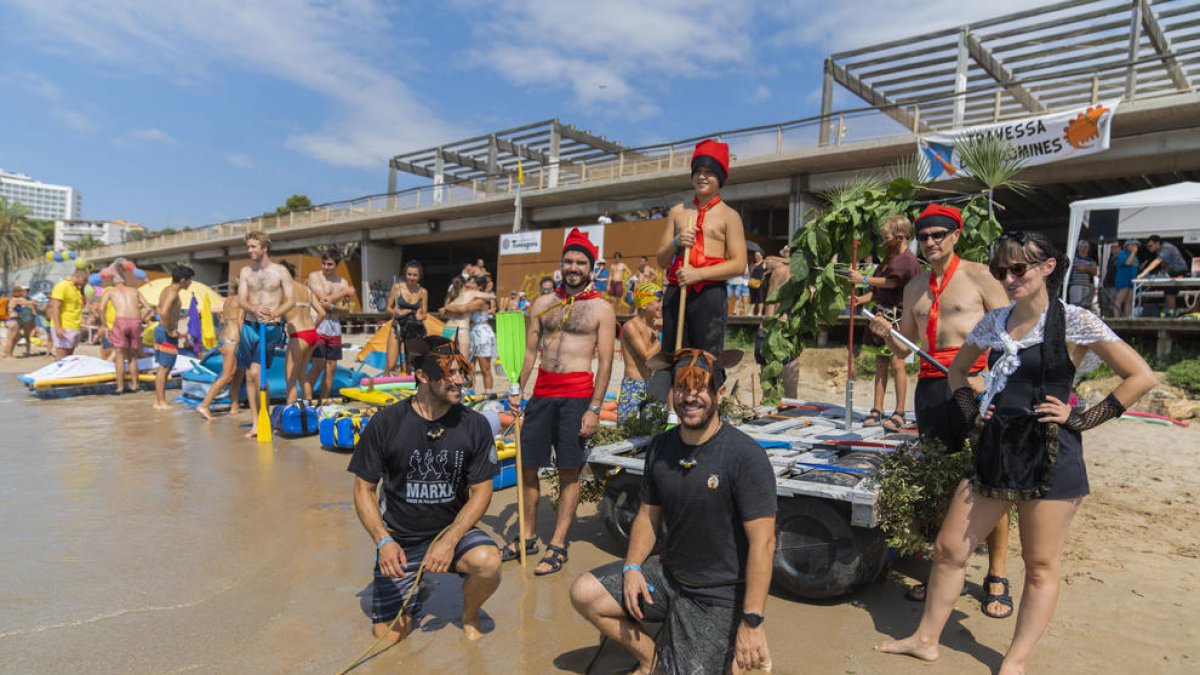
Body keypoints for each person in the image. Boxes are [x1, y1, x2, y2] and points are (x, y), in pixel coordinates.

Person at [876, 231, 1155, 674]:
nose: (1008, 277)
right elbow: (957, 372)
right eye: (1001, 270)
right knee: (950, 548)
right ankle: (926, 639)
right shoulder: (996, 322)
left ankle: (1015, 661)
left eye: (1018, 268)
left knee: (1040, 563)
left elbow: (1140, 376)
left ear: (1047, 267)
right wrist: (973, 415)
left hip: (1050, 451)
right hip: (996, 446)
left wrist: (1081, 418)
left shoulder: (1076, 321)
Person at [570, 348, 775, 675]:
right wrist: (633, 567)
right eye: (682, 387)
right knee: (584, 591)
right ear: (671, 392)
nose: (690, 398)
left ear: (719, 394)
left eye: (700, 389)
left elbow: (763, 544)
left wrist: (752, 622)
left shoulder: (745, 456)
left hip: (716, 595)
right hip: (668, 576)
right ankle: (649, 658)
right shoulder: (662, 447)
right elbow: (648, 516)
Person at [868, 203, 1014, 616]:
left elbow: (1012, 335)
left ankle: (997, 575)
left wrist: (991, 382)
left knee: (991, 479)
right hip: (932, 389)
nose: (930, 243)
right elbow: (907, 348)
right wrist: (889, 332)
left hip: (976, 383)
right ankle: (940, 569)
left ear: (955, 236)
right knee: (938, 479)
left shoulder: (981, 278)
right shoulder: (915, 288)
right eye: (924, 236)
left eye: (938, 235)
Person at [348, 335, 501, 644]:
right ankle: (415, 589)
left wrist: (450, 539)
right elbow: (364, 489)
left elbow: (482, 491)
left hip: (451, 532)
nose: (461, 381)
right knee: (390, 638)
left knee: (489, 561)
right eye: (452, 374)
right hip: (400, 539)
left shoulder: (475, 425)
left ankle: (469, 613)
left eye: (463, 372)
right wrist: (383, 541)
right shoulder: (386, 423)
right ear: (422, 376)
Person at [505, 228, 616, 576]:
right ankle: (527, 536)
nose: (573, 267)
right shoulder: (541, 304)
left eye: (580, 262)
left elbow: (607, 363)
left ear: (591, 267)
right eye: (568, 260)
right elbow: (527, 351)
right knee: (527, 467)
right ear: (561, 264)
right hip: (541, 396)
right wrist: (515, 389)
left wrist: (594, 409)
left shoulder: (602, 308)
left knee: (569, 472)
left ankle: (558, 543)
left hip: (577, 397)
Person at [656, 139, 746, 355]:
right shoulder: (677, 212)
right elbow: (661, 259)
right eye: (698, 171)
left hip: (710, 294)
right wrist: (676, 242)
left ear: (719, 178)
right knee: (673, 355)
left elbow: (739, 265)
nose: (702, 176)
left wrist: (698, 274)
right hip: (677, 291)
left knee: (707, 358)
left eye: (709, 172)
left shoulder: (729, 215)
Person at [852, 215, 922, 432]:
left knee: (897, 364)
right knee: (880, 363)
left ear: (900, 237)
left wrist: (862, 279)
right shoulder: (888, 259)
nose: (884, 241)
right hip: (880, 318)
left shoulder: (908, 261)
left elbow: (892, 283)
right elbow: (877, 292)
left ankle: (899, 411)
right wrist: (859, 299)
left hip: (899, 320)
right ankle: (877, 409)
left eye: (887, 237)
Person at [236, 232, 294, 437]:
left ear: (264, 247)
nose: (249, 250)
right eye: (248, 247)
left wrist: (275, 314)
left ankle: (265, 418)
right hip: (250, 327)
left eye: (253, 246)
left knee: (255, 372)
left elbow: (291, 300)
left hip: (270, 328)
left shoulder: (280, 271)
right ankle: (256, 422)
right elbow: (241, 299)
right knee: (250, 377)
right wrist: (253, 307)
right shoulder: (245, 272)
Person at [307, 249, 355, 399]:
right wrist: (344, 292)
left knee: (331, 366)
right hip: (318, 323)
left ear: (336, 265)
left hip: (334, 327)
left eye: (330, 264)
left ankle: (324, 400)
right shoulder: (314, 276)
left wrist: (334, 307)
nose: (326, 267)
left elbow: (346, 310)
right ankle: (306, 400)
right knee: (318, 363)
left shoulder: (343, 282)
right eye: (324, 264)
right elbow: (323, 300)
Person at [195, 296, 247, 421]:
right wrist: (246, 341)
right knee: (227, 375)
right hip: (234, 340)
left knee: (239, 372)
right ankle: (204, 405)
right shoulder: (242, 300)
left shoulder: (228, 300)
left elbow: (223, 319)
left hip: (224, 337)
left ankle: (234, 405)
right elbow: (240, 321)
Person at [99, 273, 152, 394]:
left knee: (119, 356)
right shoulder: (134, 291)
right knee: (133, 356)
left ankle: (120, 388)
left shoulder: (110, 291)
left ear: (113, 283)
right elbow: (148, 308)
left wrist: (104, 324)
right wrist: (140, 318)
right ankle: (135, 385)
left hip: (121, 321)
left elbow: (101, 308)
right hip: (135, 322)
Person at [617, 282, 662, 423]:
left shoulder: (654, 326)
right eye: (658, 301)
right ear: (644, 305)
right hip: (633, 385)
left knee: (650, 433)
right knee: (625, 430)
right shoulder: (631, 326)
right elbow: (647, 357)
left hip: (652, 383)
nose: (661, 305)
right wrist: (662, 335)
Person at [444, 276, 496, 395]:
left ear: (479, 287)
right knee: (470, 367)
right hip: (470, 331)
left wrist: (448, 307)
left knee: (485, 368)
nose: (469, 284)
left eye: (472, 282)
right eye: (468, 281)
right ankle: (469, 392)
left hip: (482, 334)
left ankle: (488, 394)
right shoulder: (465, 296)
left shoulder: (479, 300)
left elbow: (464, 308)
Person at [281, 262, 325, 403]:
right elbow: (322, 313)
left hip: (298, 336)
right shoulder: (306, 289)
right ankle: (310, 409)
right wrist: (312, 327)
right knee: (302, 375)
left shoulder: (284, 290)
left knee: (291, 380)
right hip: (311, 333)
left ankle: (290, 413)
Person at [153, 266, 195, 410]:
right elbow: (163, 313)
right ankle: (161, 402)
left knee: (163, 367)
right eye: (190, 280)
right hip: (165, 333)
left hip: (160, 330)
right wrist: (170, 330)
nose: (190, 283)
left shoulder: (166, 290)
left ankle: (158, 401)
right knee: (165, 368)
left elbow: (161, 310)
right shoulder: (172, 293)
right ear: (183, 280)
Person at [385, 262, 428, 376]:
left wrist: (420, 316)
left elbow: (424, 314)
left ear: (419, 276)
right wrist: (393, 311)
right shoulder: (397, 287)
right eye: (409, 274)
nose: (412, 278)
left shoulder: (423, 292)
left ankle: (410, 391)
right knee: (391, 365)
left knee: (411, 366)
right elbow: (388, 308)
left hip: (414, 329)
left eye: (415, 275)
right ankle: (381, 389)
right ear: (405, 274)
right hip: (397, 327)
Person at [1138, 234, 1190, 317]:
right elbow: (1164, 264)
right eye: (1148, 247)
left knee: (1170, 293)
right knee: (1167, 293)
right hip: (1171, 273)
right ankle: (1167, 313)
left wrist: (1144, 273)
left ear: (1157, 243)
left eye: (1150, 246)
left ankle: (1170, 314)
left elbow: (1158, 261)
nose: (1149, 248)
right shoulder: (1159, 250)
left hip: (1179, 272)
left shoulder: (1166, 248)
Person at [48, 268, 88, 359]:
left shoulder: (77, 289)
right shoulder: (62, 286)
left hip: (74, 326)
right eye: (85, 280)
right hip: (64, 326)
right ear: (78, 276)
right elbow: (55, 307)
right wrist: (58, 327)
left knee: (69, 358)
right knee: (62, 358)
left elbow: (75, 308)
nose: (86, 282)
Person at [3, 286, 36, 358]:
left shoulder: (11, 298)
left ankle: (6, 353)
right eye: (22, 291)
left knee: (14, 338)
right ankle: (9, 355)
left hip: (10, 320)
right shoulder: (16, 299)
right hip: (13, 320)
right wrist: (35, 300)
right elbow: (28, 302)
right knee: (12, 338)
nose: (23, 292)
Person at [1066, 239, 1098, 308]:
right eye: (1083, 246)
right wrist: (1089, 269)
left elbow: (1095, 272)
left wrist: (1085, 268)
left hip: (1087, 286)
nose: (1085, 248)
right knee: (1075, 306)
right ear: (1079, 247)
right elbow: (1079, 268)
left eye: (1086, 247)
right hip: (1076, 285)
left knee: (1085, 306)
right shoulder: (1074, 258)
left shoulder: (1091, 260)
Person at [1113, 239, 1141, 317]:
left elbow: (1136, 267)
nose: (1133, 247)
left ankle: (1128, 317)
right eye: (1131, 245)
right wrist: (1133, 253)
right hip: (1123, 279)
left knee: (1129, 301)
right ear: (1127, 246)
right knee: (1119, 299)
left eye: (1135, 245)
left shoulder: (1135, 257)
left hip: (1132, 280)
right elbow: (1127, 262)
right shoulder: (1122, 254)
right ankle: (1116, 318)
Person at [748, 251, 767, 316]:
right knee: (752, 299)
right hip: (752, 282)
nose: (756, 257)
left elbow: (767, 270)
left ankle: (760, 312)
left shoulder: (764, 263)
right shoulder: (753, 264)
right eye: (755, 255)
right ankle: (751, 312)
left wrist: (765, 273)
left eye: (758, 255)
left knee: (760, 298)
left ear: (762, 256)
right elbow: (750, 273)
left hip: (760, 283)